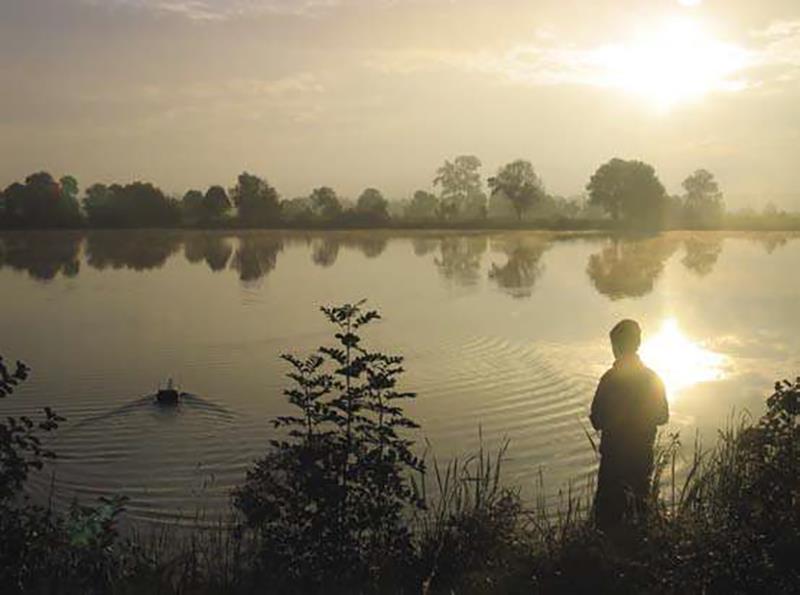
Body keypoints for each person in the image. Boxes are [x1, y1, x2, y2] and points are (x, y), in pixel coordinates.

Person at [590, 319, 669, 531]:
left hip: (614, 459)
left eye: (614, 346)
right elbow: (663, 416)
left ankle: (605, 558)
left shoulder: (609, 379)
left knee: (606, 519)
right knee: (641, 511)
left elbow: (596, 419)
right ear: (638, 344)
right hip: (641, 456)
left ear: (616, 347)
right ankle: (641, 554)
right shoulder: (652, 378)